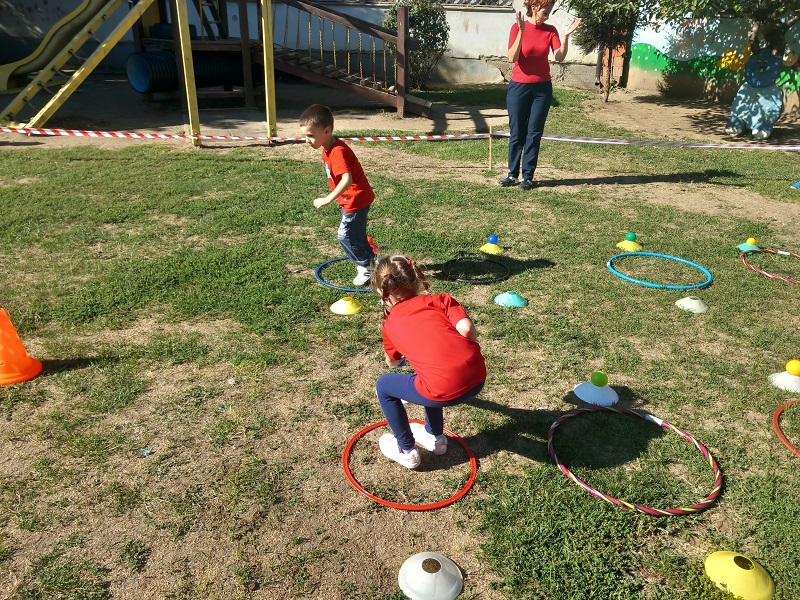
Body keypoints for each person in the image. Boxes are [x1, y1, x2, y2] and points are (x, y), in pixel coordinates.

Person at [372, 255, 487, 468]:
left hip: (441, 390)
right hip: (479, 376)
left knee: (384, 386)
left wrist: (396, 359)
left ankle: (406, 449)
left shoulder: (389, 324)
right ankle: (436, 438)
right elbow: (467, 329)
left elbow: (393, 363)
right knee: (425, 377)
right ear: (417, 278)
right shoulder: (441, 299)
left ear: (382, 291)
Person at [499, 1, 581, 190]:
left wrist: (566, 36)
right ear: (535, 7)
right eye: (546, 11)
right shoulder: (517, 27)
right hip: (518, 87)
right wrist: (521, 31)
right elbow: (512, 58)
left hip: (542, 90)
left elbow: (559, 57)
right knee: (517, 132)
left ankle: (528, 176)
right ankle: (512, 174)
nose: (548, 15)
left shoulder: (550, 30)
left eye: (550, 12)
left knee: (534, 133)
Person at [300, 104, 376, 285]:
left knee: (346, 235)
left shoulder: (337, 152)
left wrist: (327, 199)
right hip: (354, 198)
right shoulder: (328, 149)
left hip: (355, 199)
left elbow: (347, 180)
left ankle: (366, 267)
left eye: (310, 135)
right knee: (356, 234)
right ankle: (373, 262)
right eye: (305, 135)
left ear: (326, 131)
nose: (306, 140)